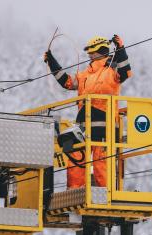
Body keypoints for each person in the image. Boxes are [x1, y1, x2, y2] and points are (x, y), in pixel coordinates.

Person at [44, 35, 132, 189]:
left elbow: (125, 72)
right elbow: (67, 82)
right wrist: (51, 61)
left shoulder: (112, 68)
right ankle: (75, 190)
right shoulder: (85, 74)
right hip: (83, 127)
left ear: (100, 51)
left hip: (104, 127)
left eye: (91, 52)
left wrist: (120, 49)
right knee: (75, 157)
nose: (89, 56)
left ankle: (105, 195)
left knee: (101, 164)